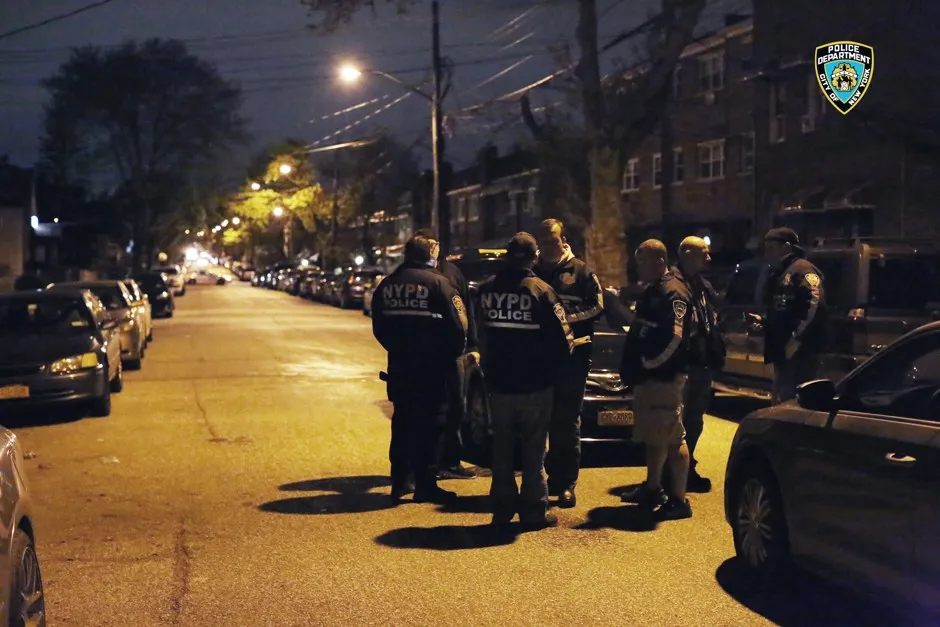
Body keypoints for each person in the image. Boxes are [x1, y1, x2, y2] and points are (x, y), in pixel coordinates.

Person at [477, 232, 574, 529]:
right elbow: (564, 340)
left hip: (499, 384)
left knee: (502, 446)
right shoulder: (541, 290)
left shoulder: (485, 290)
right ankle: (534, 509)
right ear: (535, 257)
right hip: (535, 384)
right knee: (534, 449)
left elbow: (479, 333)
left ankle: (502, 507)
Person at [372, 234, 469, 504]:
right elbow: (459, 327)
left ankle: (401, 481)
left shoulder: (388, 285)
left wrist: (398, 349)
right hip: (432, 369)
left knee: (402, 422)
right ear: (430, 255)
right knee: (432, 425)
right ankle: (426, 484)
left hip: (401, 367)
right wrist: (449, 357)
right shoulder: (440, 284)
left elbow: (379, 326)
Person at [619, 240, 694, 521]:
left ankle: (679, 500)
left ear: (658, 261)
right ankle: (653, 488)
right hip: (650, 378)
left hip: (663, 377)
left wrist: (651, 363)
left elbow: (675, 338)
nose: (639, 267)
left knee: (673, 437)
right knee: (656, 437)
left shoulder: (673, 292)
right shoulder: (655, 290)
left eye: (643, 261)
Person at [534, 218, 603, 508]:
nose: (548, 247)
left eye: (553, 241)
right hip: (541, 356)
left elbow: (597, 306)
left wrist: (561, 321)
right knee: (541, 420)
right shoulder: (534, 270)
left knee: (567, 422)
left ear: (564, 240)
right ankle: (543, 479)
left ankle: (566, 484)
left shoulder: (581, 271)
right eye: (544, 242)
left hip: (574, 356)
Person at [413, 228, 480, 480]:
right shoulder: (414, 276)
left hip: (454, 352)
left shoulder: (452, 273)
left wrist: (472, 344)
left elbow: (466, 311)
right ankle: (424, 465)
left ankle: (449, 460)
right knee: (426, 409)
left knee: (455, 407)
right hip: (424, 354)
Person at [671, 236, 726, 493]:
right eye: (703, 253)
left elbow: (713, 317)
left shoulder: (702, 285)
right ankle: (670, 474)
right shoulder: (673, 284)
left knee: (695, 420)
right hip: (683, 364)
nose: (709, 258)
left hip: (702, 362)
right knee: (677, 421)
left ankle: (687, 467)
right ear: (687, 253)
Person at [762, 227, 827, 404]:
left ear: (786, 247)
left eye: (771, 249)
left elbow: (814, 305)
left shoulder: (803, 270)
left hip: (800, 353)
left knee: (794, 402)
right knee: (781, 400)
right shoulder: (779, 272)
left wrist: (796, 339)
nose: (767, 254)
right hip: (783, 352)